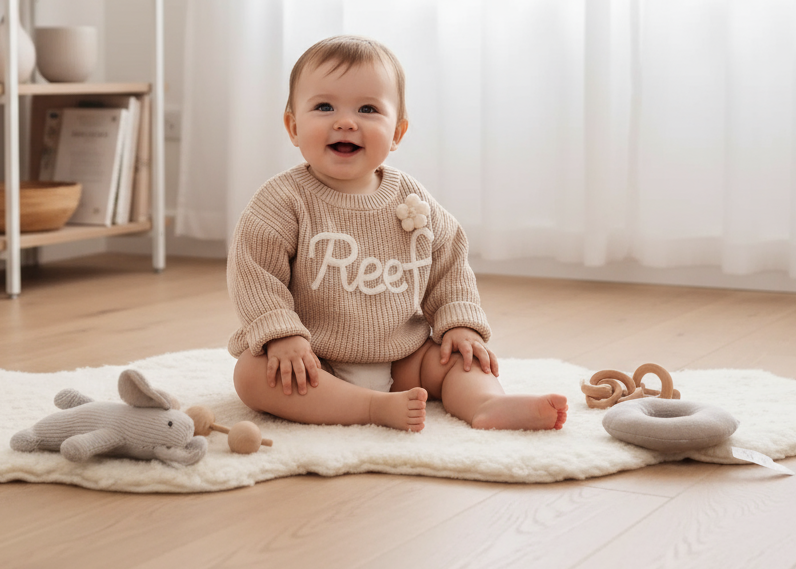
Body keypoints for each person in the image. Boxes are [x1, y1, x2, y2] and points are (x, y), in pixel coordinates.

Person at [228, 35, 568, 433]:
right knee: (252, 375)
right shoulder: (282, 200)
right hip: (316, 358)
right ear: (293, 126)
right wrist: (281, 336)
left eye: (368, 109)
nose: (345, 121)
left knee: (459, 358)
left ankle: (487, 403)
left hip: (404, 356)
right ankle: (371, 407)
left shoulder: (411, 199)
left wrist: (459, 324)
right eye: (324, 107)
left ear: (397, 133)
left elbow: (449, 264)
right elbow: (255, 274)